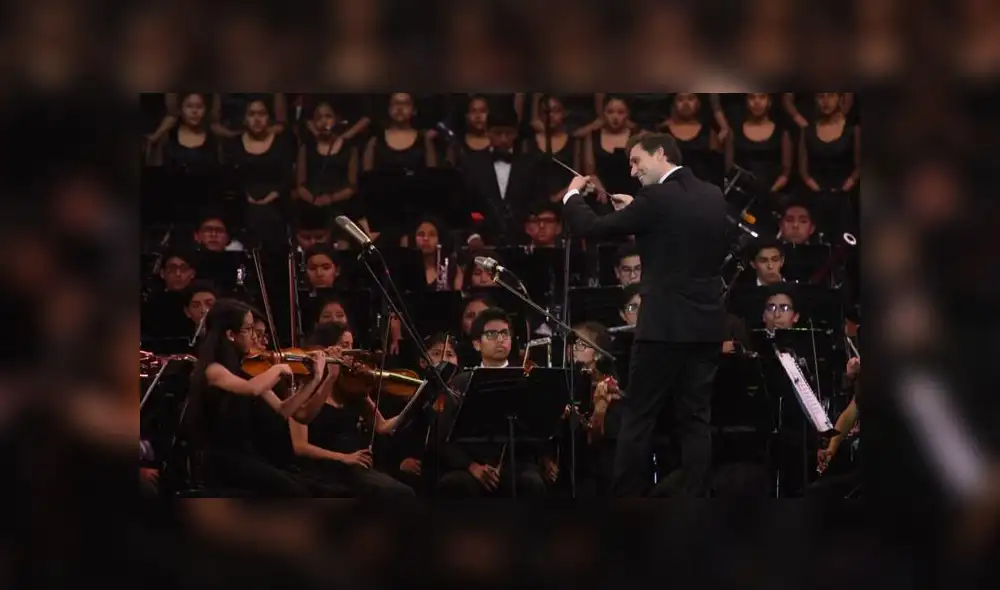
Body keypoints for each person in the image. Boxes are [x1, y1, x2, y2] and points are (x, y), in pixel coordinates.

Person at [559, 132, 728, 497]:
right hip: (707, 324)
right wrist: (637, 209)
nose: (633, 171)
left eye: (637, 161)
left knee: (639, 417)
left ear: (661, 154)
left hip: (664, 326)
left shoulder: (656, 198)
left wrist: (572, 195)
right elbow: (677, 236)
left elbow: (591, 228)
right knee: (696, 420)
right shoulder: (713, 194)